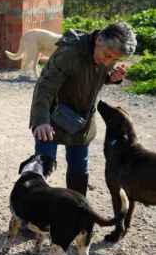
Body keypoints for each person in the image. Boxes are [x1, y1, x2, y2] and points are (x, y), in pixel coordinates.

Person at [30, 22, 137, 195]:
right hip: (50, 118)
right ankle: (31, 215)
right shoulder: (69, 53)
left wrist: (111, 78)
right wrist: (41, 121)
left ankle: (76, 214)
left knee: (79, 172)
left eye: (114, 59)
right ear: (99, 39)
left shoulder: (106, 51)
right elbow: (45, 87)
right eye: (107, 55)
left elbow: (93, 77)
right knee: (42, 168)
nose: (107, 61)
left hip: (82, 122)